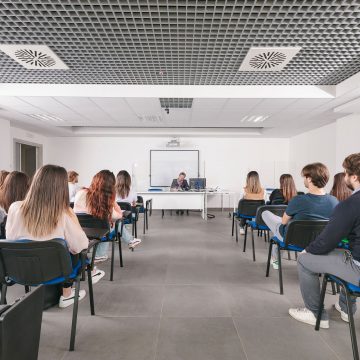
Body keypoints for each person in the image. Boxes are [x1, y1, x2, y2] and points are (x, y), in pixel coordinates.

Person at [289, 153, 360, 329]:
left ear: (354, 177)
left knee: (305, 260)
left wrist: (308, 250)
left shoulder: (351, 204)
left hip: (358, 269)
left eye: (345, 173)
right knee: (347, 252)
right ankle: (346, 309)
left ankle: (315, 313)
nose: (344, 177)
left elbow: (327, 241)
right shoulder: (335, 202)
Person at [5, 165, 89, 308]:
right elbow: (80, 245)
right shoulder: (64, 213)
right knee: (76, 253)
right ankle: (67, 294)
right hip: (56, 273)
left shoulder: (14, 208)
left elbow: (11, 239)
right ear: (62, 188)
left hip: (20, 270)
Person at [262, 163, 338, 270]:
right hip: (320, 242)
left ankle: (275, 259)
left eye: (305, 177)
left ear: (310, 179)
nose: (304, 180)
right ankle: (275, 259)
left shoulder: (298, 200)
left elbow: (283, 222)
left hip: (294, 239)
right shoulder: (334, 201)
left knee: (267, 215)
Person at [74, 170, 141, 262]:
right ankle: (101, 254)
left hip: (81, 230)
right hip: (100, 231)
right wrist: (113, 202)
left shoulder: (80, 193)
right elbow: (118, 216)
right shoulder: (106, 199)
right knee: (113, 223)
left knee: (104, 223)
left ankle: (130, 240)